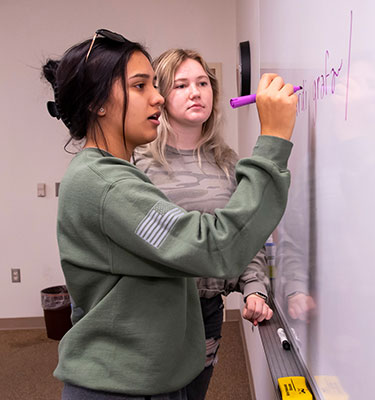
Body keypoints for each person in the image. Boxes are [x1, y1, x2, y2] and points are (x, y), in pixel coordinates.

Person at [42, 28, 297, 400]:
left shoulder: (115, 173)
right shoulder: (106, 184)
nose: (158, 98)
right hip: (122, 386)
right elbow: (213, 248)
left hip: (151, 375)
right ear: (98, 103)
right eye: (141, 86)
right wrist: (273, 138)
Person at [135, 49, 274, 400]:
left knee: (193, 394)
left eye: (202, 83)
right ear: (161, 97)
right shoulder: (138, 164)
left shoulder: (229, 164)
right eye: (181, 85)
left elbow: (246, 232)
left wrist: (255, 286)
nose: (195, 92)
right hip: (155, 312)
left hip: (207, 311)